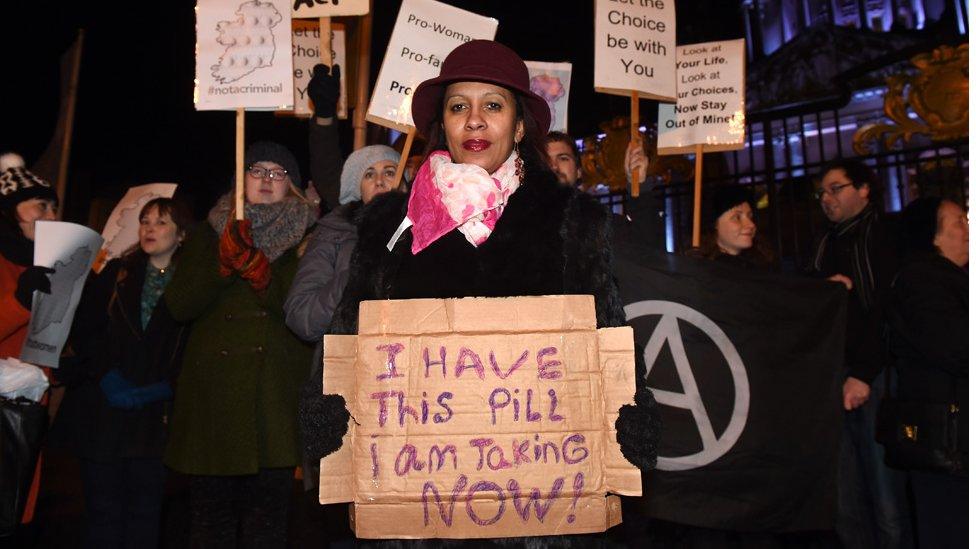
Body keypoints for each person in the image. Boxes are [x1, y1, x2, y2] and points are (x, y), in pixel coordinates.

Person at [298, 39, 660, 546]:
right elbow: (348, 334)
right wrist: (325, 403)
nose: (473, 120)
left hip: (540, 506)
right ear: (442, 124)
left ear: (517, 125)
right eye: (458, 106)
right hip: (420, 507)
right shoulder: (391, 226)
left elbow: (609, 326)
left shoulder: (572, 222)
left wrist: (633, 403)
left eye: (492, 105)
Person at [162, 141, 317, 547]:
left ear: (293, 186)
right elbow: (179, 305)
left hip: (273, 402)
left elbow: (305, 314)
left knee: (266, 527)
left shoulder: (310, 234)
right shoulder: (210, 230)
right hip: (213, 400)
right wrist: (221, 266)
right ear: (240, 178)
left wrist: (261, 273)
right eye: (256, 170)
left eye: (278, 173)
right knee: (209, 524)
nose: (266, 180)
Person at [59, 197, 192, 548]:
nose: (150, 229)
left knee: (144, 515)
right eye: (145, 221)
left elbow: (195, 344)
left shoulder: (192, 286)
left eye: (161, 222)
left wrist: (166, 387)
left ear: (181, 234)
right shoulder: (117, 273)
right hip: (104, 410)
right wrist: (106, 376)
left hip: (154, 420)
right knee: (103, 513)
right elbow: (85, 332)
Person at [809, 159, 911, 549]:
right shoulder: (824, 244)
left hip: (874, 376)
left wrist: (864, 374)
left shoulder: (883, 237)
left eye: (836, 188)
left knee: (885, 497)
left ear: (865, 189)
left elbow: (886, 311)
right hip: (835, 376)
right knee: (847, 496)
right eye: (822, 192)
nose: (826, 198)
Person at [886, 196, 967, 548]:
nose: (968, 230)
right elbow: (954, 345)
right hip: (947, 437)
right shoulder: (923, 281)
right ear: (932, 237)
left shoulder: (949, 278)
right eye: (958, 223)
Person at [0, 152, 57, 534]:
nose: (52, 217)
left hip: (20, 418)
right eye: (41, 207)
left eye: (55, 207)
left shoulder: (46, 265)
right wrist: (20, 301)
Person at [692, 184, 771, 269]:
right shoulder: (701, 271)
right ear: (715, 224)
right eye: (737, 217)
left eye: (750, 217)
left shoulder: (761, 267)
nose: (751, 224)